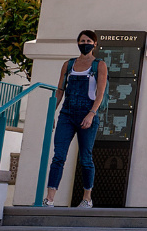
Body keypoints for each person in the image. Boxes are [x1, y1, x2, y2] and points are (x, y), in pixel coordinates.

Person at [44, 30, 108, 208]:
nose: (85, 43)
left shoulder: (99, 65)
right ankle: (49, 199)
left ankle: (87, 197)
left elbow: (100, 93)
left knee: (85, 157)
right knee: (58, 156)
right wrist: (52, 113)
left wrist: (91, 113)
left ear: (95, 44)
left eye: (88, 40)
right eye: (82, 40)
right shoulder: (69, 64)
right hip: (67, 114)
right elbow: (60, 90)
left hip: (87, 114)